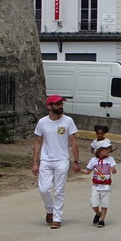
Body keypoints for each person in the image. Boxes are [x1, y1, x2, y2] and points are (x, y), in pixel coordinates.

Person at [32, 95, 82, 229]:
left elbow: (73, 141)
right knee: (43, 189)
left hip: (62, 160)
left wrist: (76, 161)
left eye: (61, 104)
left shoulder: (68, 121)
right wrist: (35, 163)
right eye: (57, 104)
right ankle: (50, 210)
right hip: (46, 160)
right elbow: (37, 143)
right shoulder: (42, 122)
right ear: (49, 107)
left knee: (59, 190)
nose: (60, 106)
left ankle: (57, 218)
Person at [86, 138, 116, 227]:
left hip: (106, 185)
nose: (108, 151)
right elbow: (88, 171)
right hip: (96, 185)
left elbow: (112, 169)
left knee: (104, 203)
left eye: (109, 149)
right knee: (93, 203)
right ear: (99, 150)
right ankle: (98, 213)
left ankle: (102, 220)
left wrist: (113, 170)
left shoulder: (110, 159)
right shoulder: (93, 160)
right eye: (106, 149)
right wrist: (80, 170)